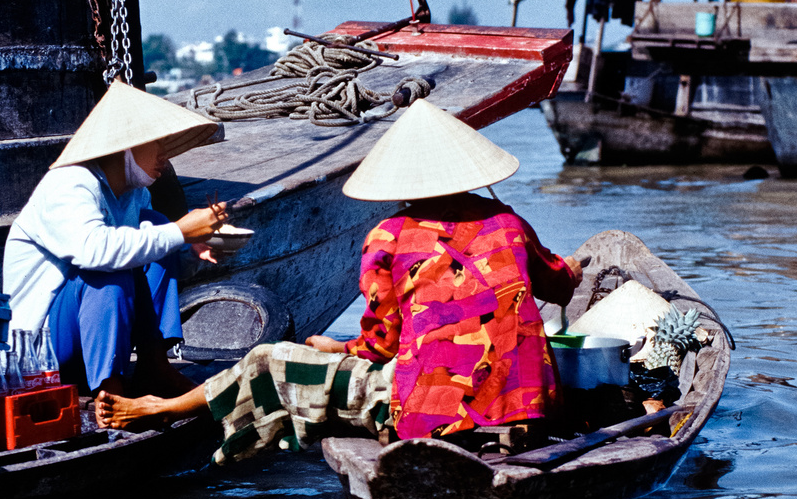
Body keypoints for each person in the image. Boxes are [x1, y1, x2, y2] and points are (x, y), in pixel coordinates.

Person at [96, 100, 583, 460]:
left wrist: (338, 349)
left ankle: (167, 408)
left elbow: (382, 344)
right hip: (530, 408)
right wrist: (574, 269)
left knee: (269, 361)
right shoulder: (509, 224)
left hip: (427, 414)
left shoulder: (388, 238)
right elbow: (560, 285)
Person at [3, 81, 230, 398]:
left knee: (154, 224)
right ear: (126, 144)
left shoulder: (136, 195)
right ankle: (111, 394)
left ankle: (155, 365)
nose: (165, 154)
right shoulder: (70, 185)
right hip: (37, 350)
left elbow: (154, 256)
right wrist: (181, 231)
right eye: (157, 142)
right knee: (112, 267)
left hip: (89, 341)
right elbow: (95, 251)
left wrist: (190, 246)